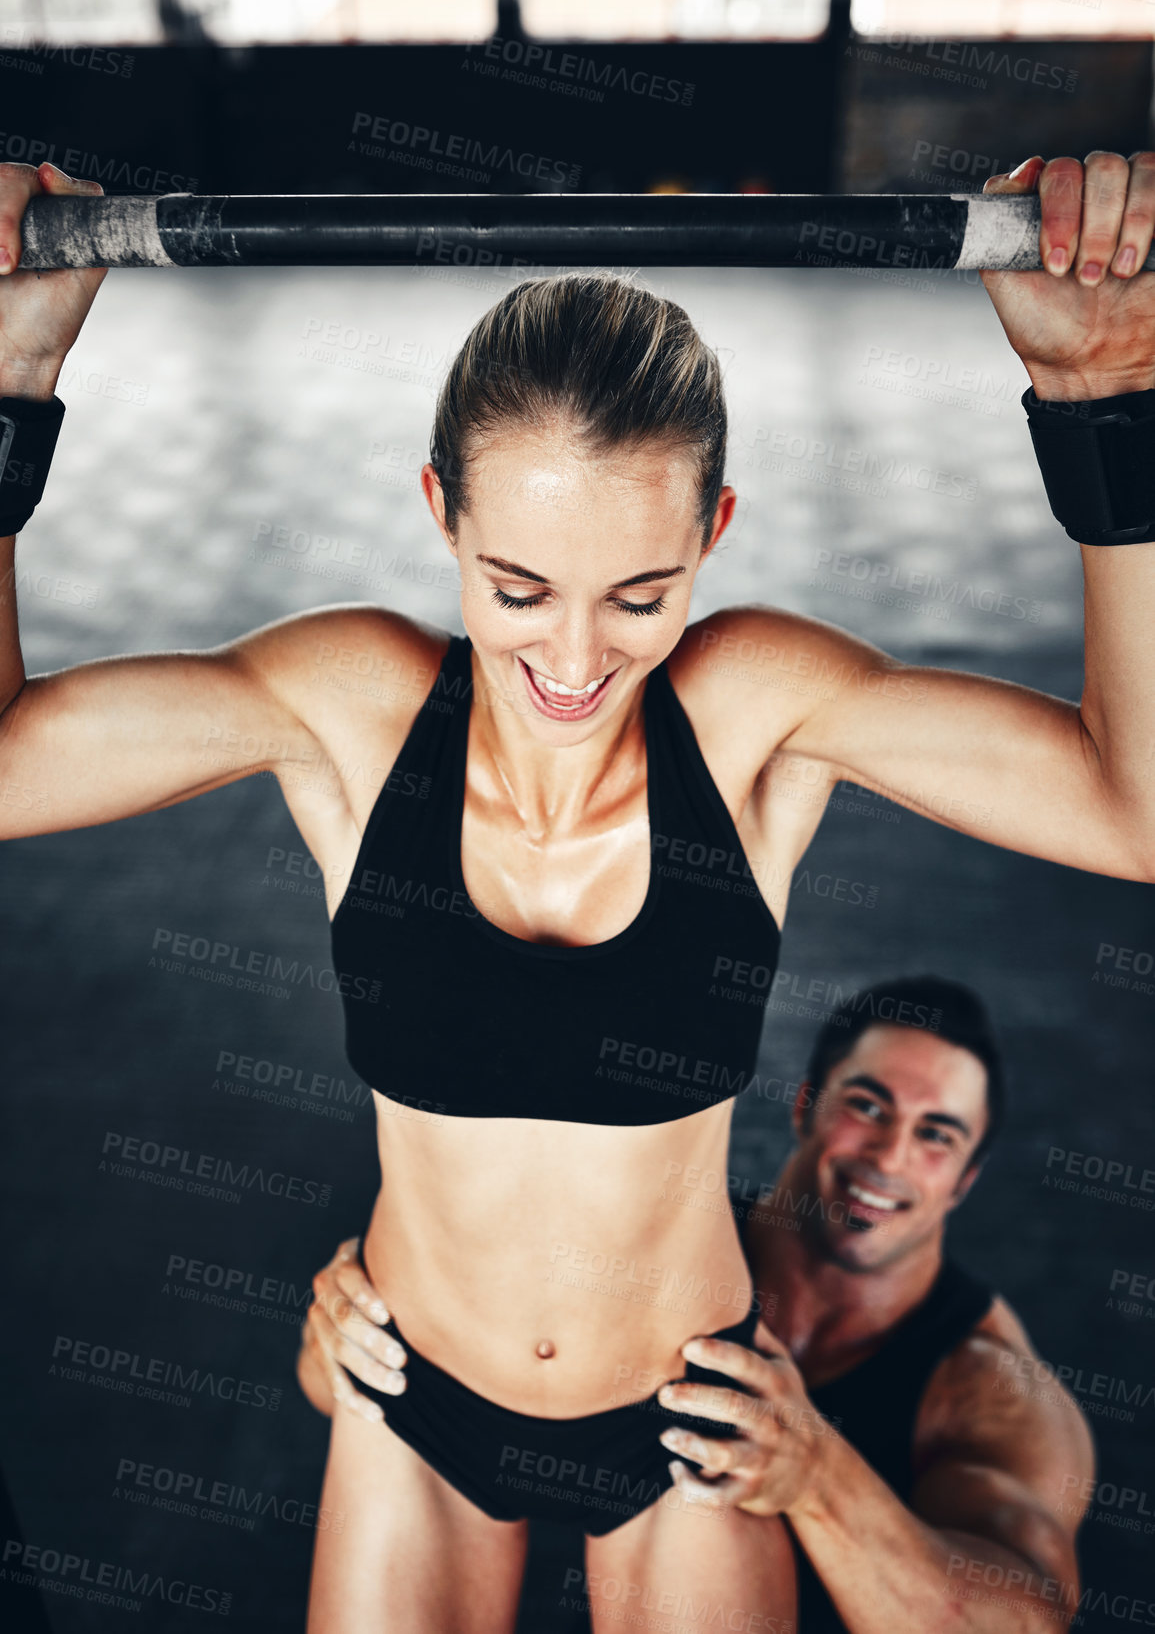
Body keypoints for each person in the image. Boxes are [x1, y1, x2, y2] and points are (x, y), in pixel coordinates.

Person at [0, 149, 1151, 1634]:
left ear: (711, 535)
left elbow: (1129, 811)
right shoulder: (351, 710)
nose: (573, 660)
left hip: (681, 1426)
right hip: (412, 1399)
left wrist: (1100, 399)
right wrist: (14, 377)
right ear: (441, 513)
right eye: (520, 587)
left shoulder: (748, 716)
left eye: (639, 595)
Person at [301, 977, 1096, 1634]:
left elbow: (1025, 1623)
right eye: (868, 1105)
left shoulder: (988, 1386)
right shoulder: (670, 1247)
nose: (888, 1157)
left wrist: (819, 1476)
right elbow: (395, 1388)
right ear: (805, 1105)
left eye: (937, 1134)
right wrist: (345, 1323)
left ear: (964, 1180)